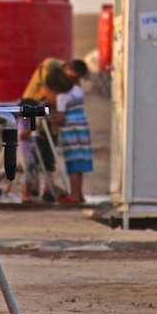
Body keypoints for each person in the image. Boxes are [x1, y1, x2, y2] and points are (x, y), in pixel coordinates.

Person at [20, 58, 89, 201]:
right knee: (31, 155)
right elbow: (48, 93)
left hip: (53, 117)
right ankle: (31, 188)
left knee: (48, 153)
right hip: (35, 109)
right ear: (66, 67)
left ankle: (48, 188)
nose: (72, 80)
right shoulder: (49, 67)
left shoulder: (69, 87)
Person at [46, 64, 92, 204]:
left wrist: (48, 118)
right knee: (80, 163)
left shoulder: (62, 97)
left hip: (70, 132)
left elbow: (61, 118)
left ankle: (74, 195)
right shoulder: (77, 89)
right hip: (82, 128)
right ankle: (80, 193)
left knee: (72, 163)